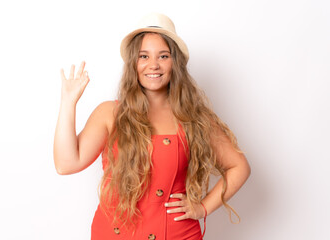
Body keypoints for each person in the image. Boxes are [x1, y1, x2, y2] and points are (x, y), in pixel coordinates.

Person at [53, 13, 251, 240]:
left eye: (163, 56)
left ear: (175, 62)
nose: (153, 65)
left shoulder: (194, 118)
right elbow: (66, 164)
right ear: (133, 63)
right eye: (143, 56)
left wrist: (203, 208)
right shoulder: (110, 113)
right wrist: (68, 103)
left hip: (177, 234)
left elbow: (239, 166)